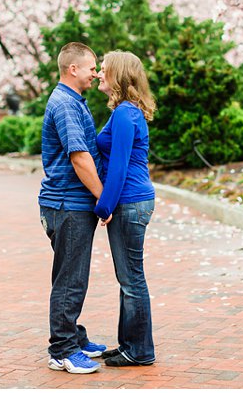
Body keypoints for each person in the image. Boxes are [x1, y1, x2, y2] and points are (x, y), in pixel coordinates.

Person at [38, 42, 107, 374]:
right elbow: (79, 157)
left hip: (68, 204)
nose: (96, 73)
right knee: (71, 278)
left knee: (68, 274)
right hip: (68, 204)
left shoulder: (73, 101)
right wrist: (103, 198)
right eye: (92, 67)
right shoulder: (66, 104)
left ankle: (73, 337)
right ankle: (62, 350)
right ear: (73, 69)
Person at [93, 50, 157, 367]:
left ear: (117, 74)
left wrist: (104, 207)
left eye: (104, 70)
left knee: (132, 279)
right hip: (134, 200)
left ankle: (141, 351)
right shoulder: (126, 111)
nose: (98, 74)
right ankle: (129, 344)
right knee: (128, 278)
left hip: (129, 202)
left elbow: (118, 168)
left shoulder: (123, 114)